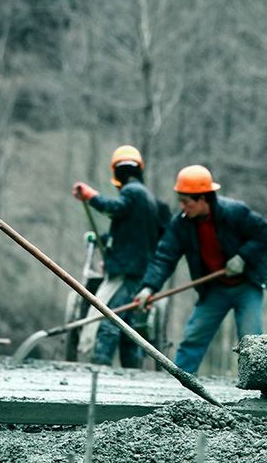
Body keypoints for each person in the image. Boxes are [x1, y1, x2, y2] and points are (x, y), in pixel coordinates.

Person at [135, 165, 267, 374]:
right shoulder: (181, 225)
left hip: (247, 286)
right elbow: (165, 256)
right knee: (193, 337)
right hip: (215, 289)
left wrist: (243, 257)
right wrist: (148, 287)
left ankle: (257, 386)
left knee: (253, 342)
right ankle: (180, 384)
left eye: (186, 202)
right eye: (180, 200)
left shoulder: (234, 212)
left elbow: (264, 234)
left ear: (203, 199)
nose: (182, 207)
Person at [72, 145, 167, 368]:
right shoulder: (148, 199)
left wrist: (91, 196)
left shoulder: (132, 193)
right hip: (139, 270)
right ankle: (131, 373)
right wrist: (104, 241)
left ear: (116, 173)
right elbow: (130, 232)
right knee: (129, 327)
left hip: (127, 271)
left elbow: (115, 208)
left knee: (110, 320)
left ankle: (99, 369)